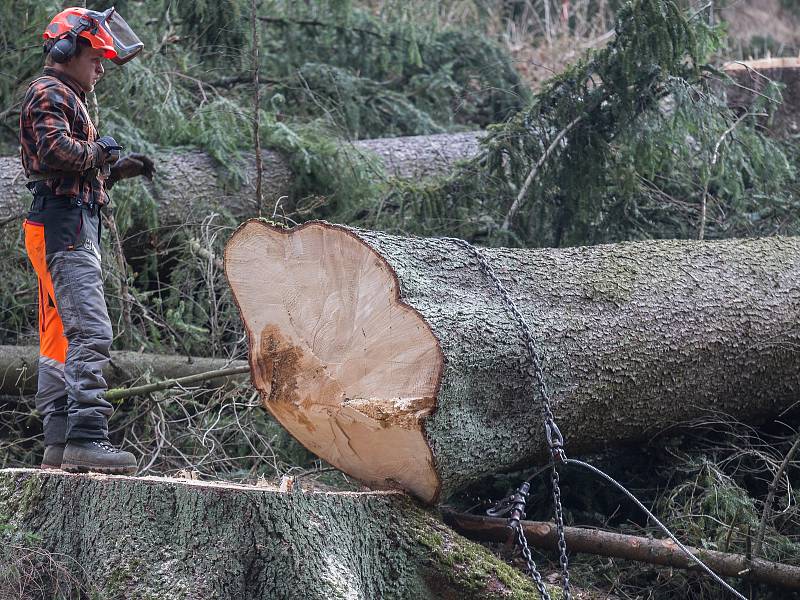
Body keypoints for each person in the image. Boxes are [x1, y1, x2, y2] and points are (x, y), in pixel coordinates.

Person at [19, 7, 153, 474]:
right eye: (96, 56)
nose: (100, 66)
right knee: (91, 331)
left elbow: (68, 170)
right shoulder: (49, 92)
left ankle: (58, 439)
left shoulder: (65, 95)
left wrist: (115, 169)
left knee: (59, 338)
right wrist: (104, 150)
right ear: (67, 49)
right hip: (65, 228)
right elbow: (56, 152)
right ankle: (87, 435)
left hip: (65, 220)